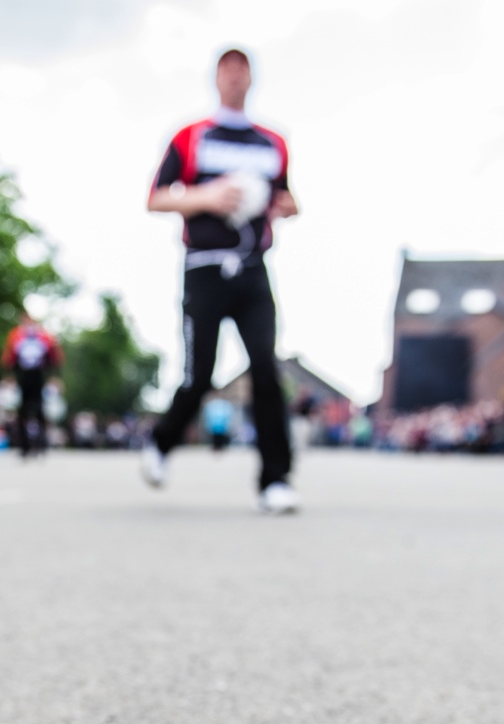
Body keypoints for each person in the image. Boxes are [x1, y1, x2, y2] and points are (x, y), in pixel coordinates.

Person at [143, 47, 301, 514]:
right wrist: (206, 196)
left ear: (251, 78)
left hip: (252, 269)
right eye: (227, 69)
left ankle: (275, 478)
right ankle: (161, 442)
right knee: (200, 375)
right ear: (216, 78)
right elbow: (156, 198)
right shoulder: (192, 137)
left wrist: (286, 206)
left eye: (242, 69)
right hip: (204, 269)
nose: (235, 77)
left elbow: (286, 196)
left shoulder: (272, 142)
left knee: (266, 370)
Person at [2, 311, 64, 458]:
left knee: (40, 409)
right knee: (22, 410)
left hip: (39, 374)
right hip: (23, 374)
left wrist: (54, 376)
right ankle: (24, 445)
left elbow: (55, 357)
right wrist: (9, 376)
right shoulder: (16, 335)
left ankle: (41, 443)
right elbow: (9, 357)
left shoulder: (45, 336)